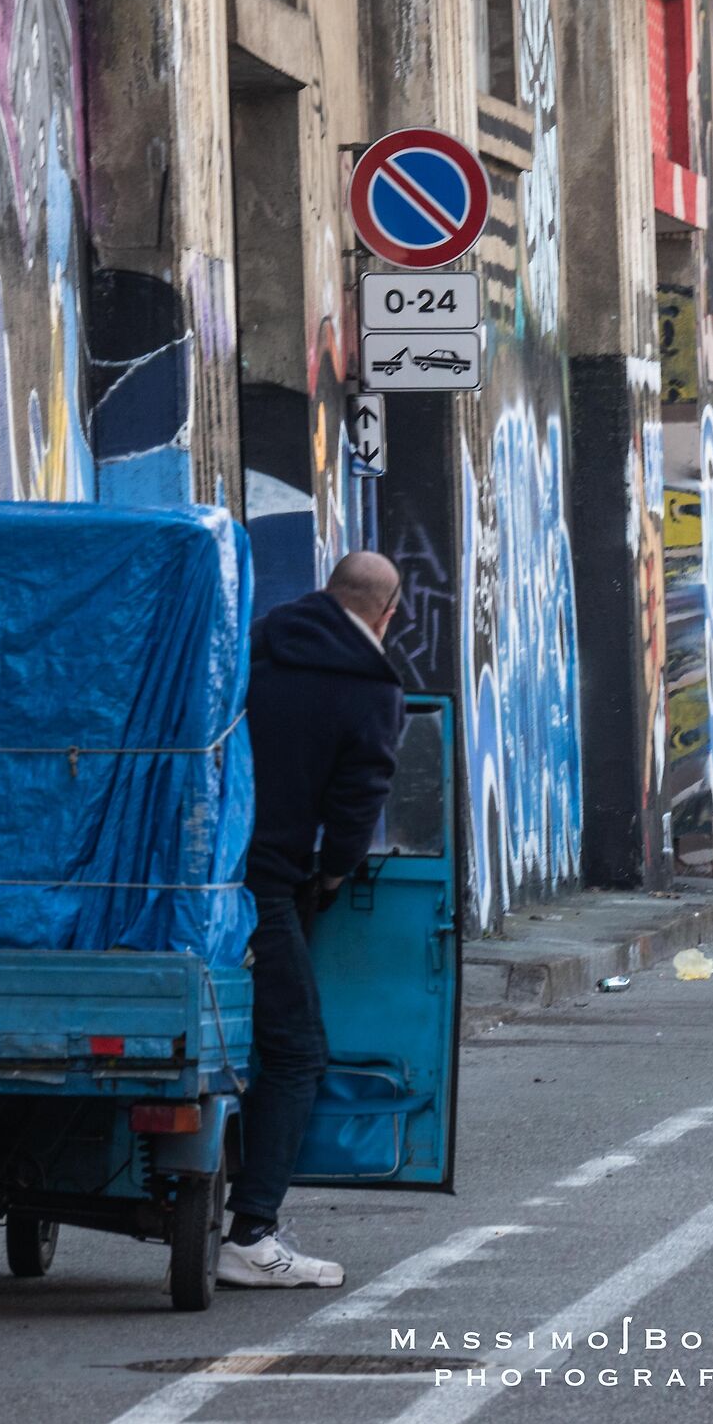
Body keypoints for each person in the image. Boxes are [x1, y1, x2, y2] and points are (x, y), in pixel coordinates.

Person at [219, 551, 405, 1290]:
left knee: (204, 1038)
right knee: (297, 1053)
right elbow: (356, 808)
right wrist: (330, 875)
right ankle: (250, 1234)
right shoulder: (370, 688)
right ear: (387, 613)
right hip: (266, 887)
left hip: (187, 880)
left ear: (327, 592)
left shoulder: (251, 646)